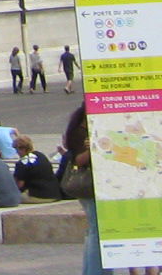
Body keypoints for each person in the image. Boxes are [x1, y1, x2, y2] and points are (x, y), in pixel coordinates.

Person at [61, 105, 101, 275]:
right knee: (96, 230)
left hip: (97, 185)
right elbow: (79, 160)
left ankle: (95, 270)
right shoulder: (80, 132)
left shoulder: (90, 129)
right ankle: (94, 271)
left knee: (95, 230)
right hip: (88, 185)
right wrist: (94, 147)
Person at [13, 135, 61, 201]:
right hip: (54, 194)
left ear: (20, 148)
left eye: (15, 148)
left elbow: (19, 185)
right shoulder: (41, 156)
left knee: (11, 197)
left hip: (38, 195)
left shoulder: (22, 163)